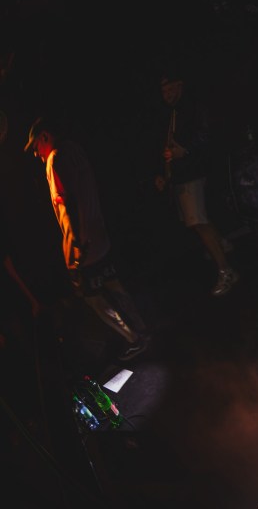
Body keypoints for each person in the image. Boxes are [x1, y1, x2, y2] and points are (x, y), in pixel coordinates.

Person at [23, 116, 150, 362]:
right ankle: (141, 327)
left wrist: (75, 246)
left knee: (94, 299)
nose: (36, 154)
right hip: (100, 236)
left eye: (36, 146)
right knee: (114, 284)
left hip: (84, 245)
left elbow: (67, 205)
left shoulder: (55, 160)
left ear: (45, 137)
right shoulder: (75, 149)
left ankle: (132, 339)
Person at [152, 70, 239, 296]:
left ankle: (226, 270)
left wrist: (187, 151)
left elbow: (205, 136)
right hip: (181, 176)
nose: (167, 94)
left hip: (192, 174)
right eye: (164, 91)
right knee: (196, 222)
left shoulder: (192, 108)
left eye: (171, 89)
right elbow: (168, 146)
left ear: (180, 86)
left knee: (199, 222)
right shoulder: (172, 113)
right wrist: (164, 173)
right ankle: (221, 246)